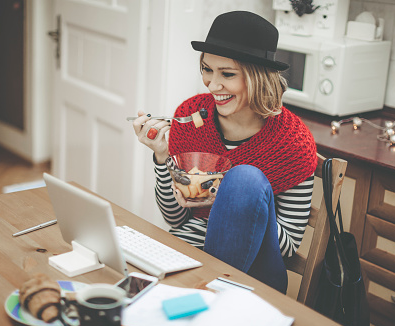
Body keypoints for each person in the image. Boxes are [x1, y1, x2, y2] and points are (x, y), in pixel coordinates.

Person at [131, 11, 317, 293]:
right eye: (207, 69)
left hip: (255, 272)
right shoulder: (191, 117)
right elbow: (175, 219)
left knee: (243, 179)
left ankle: (209, 296)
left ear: (259, 78)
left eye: (227, 74)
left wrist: (225, 195)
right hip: (188, 257)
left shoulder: (292, 143)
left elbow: (289, 246)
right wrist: (161, 156)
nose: (212, 84)